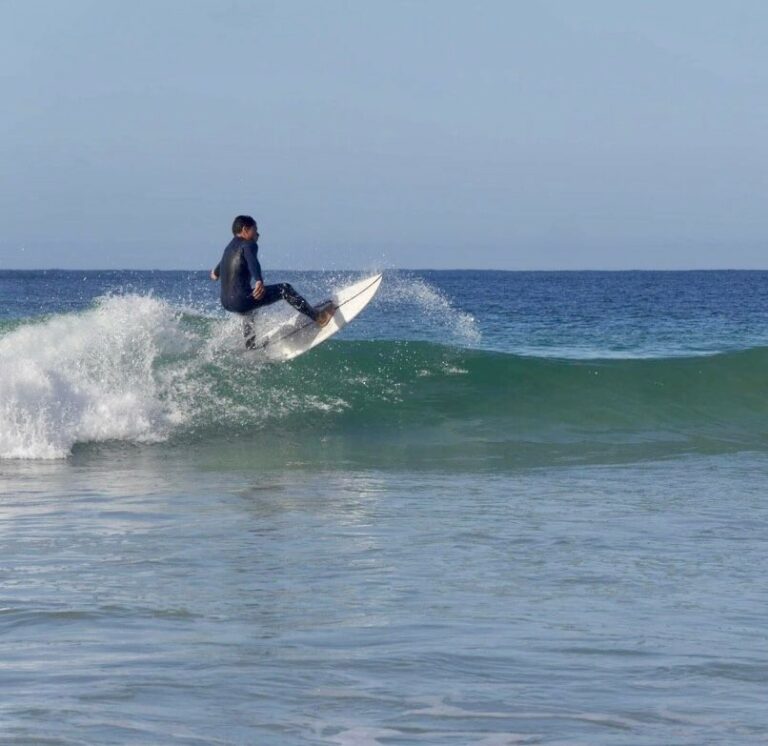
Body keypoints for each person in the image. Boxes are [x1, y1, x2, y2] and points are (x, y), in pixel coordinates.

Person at [210, 215, 334, 349]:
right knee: (284, 289)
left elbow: (217, 271)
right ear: (245, 229)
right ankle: (319, 317)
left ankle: (250, 346)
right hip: (240, 300)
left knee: (248, 310)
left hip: (226, 303)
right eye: (255, 230)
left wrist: (216, 272)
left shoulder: (228, 248)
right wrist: (258, 280)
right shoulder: (249, 244)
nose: (257, 234)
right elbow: (253, 262)